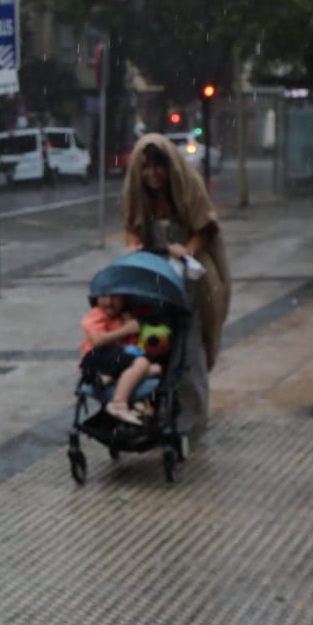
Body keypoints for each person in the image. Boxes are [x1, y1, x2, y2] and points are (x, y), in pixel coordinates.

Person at [122, 134, 231, 443]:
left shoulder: (187, 188)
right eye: (146, 168)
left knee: (189, 348)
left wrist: (186, 251)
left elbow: (206, 227)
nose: (152, 175)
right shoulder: (139, 195)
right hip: (152, 280)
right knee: (151, 345)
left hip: (188, 281)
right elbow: (132, 227)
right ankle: (154, 412)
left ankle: (191, 423)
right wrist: (135, 249)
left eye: (159, 167)